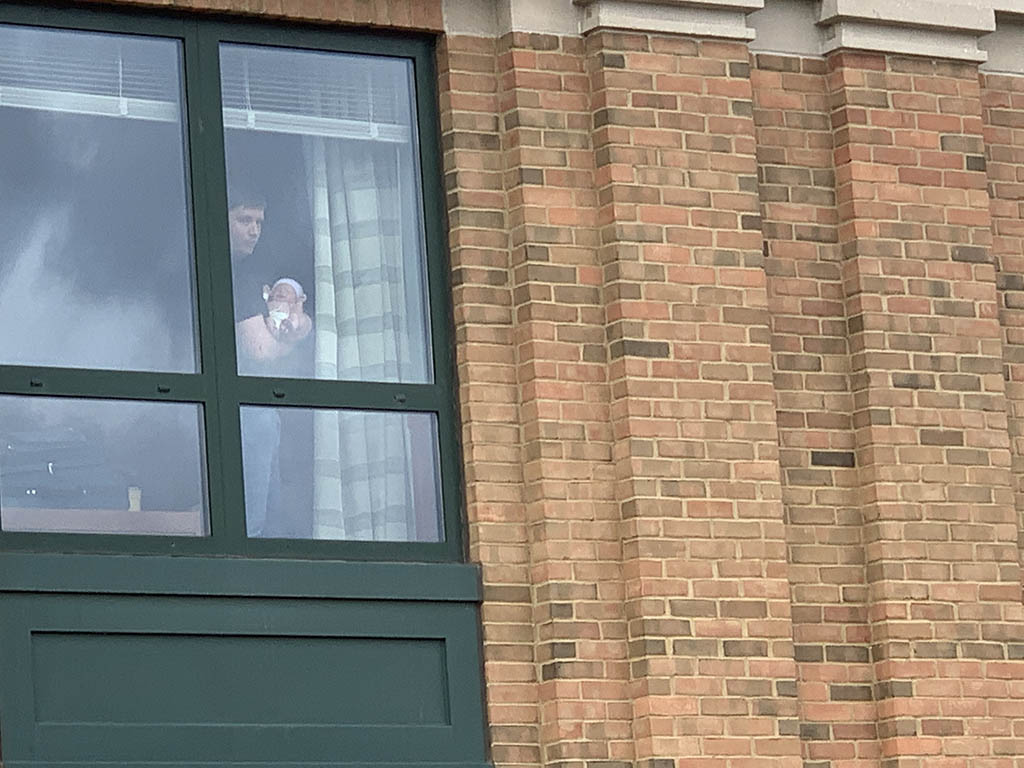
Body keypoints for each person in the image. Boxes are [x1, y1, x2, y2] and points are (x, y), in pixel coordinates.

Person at [228, 188, 312, 538]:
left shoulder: (253, 274)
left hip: (259, 407)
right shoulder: (231, 276)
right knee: (255, 527)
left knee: (271, 522)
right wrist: (296, 336)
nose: (254, 230)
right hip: (244, 410)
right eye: (244, 220)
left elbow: (301, 323)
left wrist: (300, 327)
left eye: (259, 221)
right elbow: (260, 350)